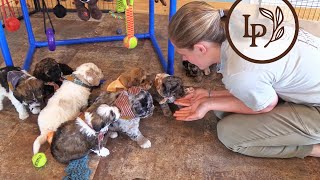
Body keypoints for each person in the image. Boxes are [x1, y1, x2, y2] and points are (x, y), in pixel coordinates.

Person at [169, 1, 320, 158]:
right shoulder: (241, 28)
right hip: (306, 88)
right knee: (223, 111)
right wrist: (208, 95)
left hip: (316, 109)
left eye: (183, 54)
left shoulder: (239, 68)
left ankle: (313, 149)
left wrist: (208, 102)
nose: (185, 59)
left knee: (229, 134)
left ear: (201, 48)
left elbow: (266, 105)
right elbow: (255, 81)